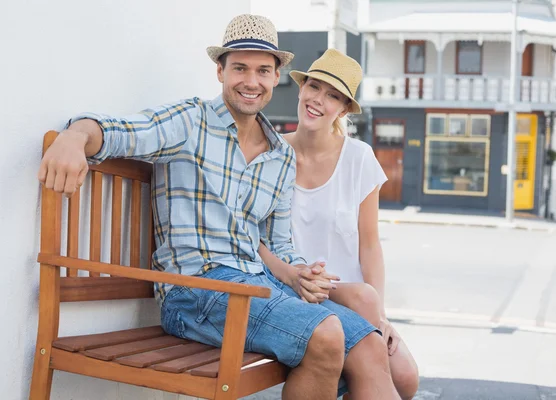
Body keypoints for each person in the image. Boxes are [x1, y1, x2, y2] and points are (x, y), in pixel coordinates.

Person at [37, 14, 401, 400]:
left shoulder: (280, 157)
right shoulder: (190, 121)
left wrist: (301, 273)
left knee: (369, 344)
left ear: (276, 76)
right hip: (194, 293)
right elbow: (118, 131)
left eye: (263, 70)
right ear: (220, 71)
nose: (251, 81)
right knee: (326, 334)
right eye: (239, 68)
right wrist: (75, 136)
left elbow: (279, 247)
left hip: (259, 286)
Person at [258, 49, 420, 399]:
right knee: (376, 360)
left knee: (407, 377)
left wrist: (382, 317)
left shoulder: (358, 157)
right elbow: (257, 236)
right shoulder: (272, 155)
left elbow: (370, 245)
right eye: (314, 87)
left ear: (344, 109)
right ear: (300, 89)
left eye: (333, 95)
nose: (318, 100)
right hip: (294, 288)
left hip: (353, 299)